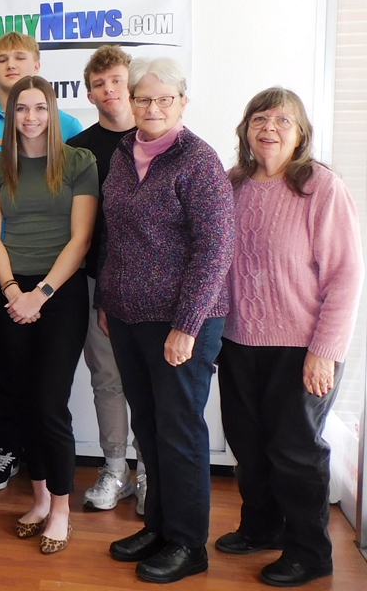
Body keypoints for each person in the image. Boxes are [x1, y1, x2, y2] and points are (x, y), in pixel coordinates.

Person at [216, 88, 363, 587]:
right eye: (260, 118)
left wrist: (324, 352)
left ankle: (310, 552)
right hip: (238, 341)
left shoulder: (320, 187)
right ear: (246, 129)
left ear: (300, 133)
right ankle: (262, 528)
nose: (270, 128)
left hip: (302, 347)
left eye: (283, 120)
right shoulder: (232, 185)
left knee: (295, 451)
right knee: (248, 444)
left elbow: (345, 275)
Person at [99, 57, 235, 583]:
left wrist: (188, 324)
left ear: (182, 102)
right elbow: (114, 235)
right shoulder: (122, 155)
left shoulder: (198, 161)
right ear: (131, 102)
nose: (153, 107)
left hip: (181, 323)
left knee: (179, 432)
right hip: (127, 317)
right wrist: (106, 300)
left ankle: (187, 543)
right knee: (149, 427)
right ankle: (157, 527)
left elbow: (215, 250)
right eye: (143, 98)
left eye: (164, 99)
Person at [0, 31, 84, 491]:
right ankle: (7, 448)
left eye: (20, 57)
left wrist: (42, 289)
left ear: (38, 65)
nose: (11, 65)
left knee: (47, 379)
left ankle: (45, 462)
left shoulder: (68, 126)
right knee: (3, 365)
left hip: (50, 271)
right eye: (1, 58)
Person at [0, 76, 97, 554]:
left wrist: (41, 294)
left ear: (53, 112)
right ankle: (40, 499)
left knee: (50, 403)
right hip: (12, 290)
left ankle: (62, 510)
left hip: (60, 292)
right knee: (25, 400)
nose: (31, 117)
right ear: (11, 115)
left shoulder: (78, 161)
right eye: (22, 109)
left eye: (40, 108)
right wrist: (13, 290)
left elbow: (81, 238)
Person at [66, 45, 145, 513]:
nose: (109, 90)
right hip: (98, 282)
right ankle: (116, 469)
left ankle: (150, 471)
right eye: (99, 84)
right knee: (108, 378)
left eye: (117, 80)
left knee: (151, 382)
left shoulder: (161, 138)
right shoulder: (79, 150)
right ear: (89, 94)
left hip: (155, 289)